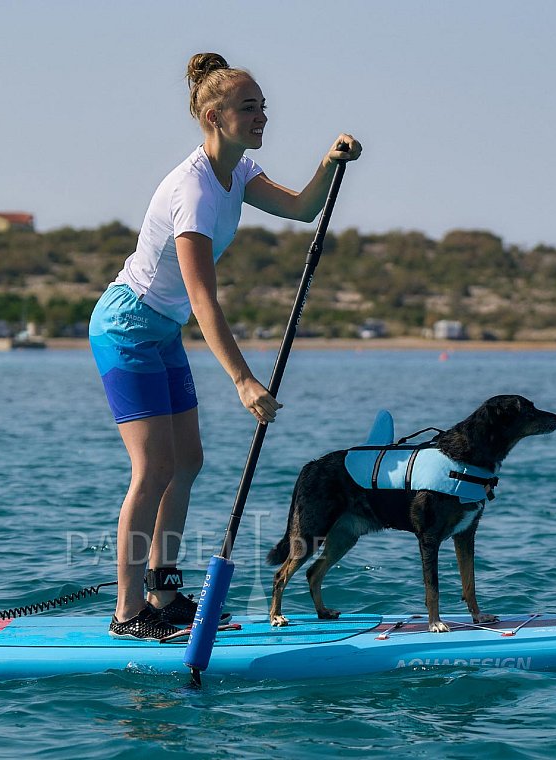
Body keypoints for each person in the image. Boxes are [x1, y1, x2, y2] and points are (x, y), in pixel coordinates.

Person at [89, 52, 362, 640]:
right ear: (213, 116)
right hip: (126, 326)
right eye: (248, 108)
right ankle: (127, 612)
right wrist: (243, 380)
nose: (261, 116)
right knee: (153, 466)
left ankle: (163, 592)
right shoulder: (192, 192)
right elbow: (204, 299)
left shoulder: (237, 171)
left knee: (187, 462)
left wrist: (328, 162)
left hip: (160, 328)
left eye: (263, 106)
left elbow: (301, 208)